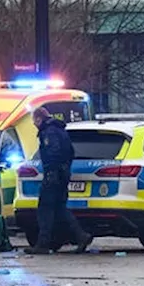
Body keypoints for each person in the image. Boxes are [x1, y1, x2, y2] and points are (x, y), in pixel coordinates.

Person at [25, 106, 93, 255]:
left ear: (38, 118)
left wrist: (51, 171)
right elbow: (70, 152)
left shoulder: (48, 132)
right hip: (63, 174)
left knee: (45, 209)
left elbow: (52, 152)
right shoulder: (60, 130)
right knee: (60, 208)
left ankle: (43, 244)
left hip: (53, 175)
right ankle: (81, 236)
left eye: (34, 121)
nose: (34, 124)